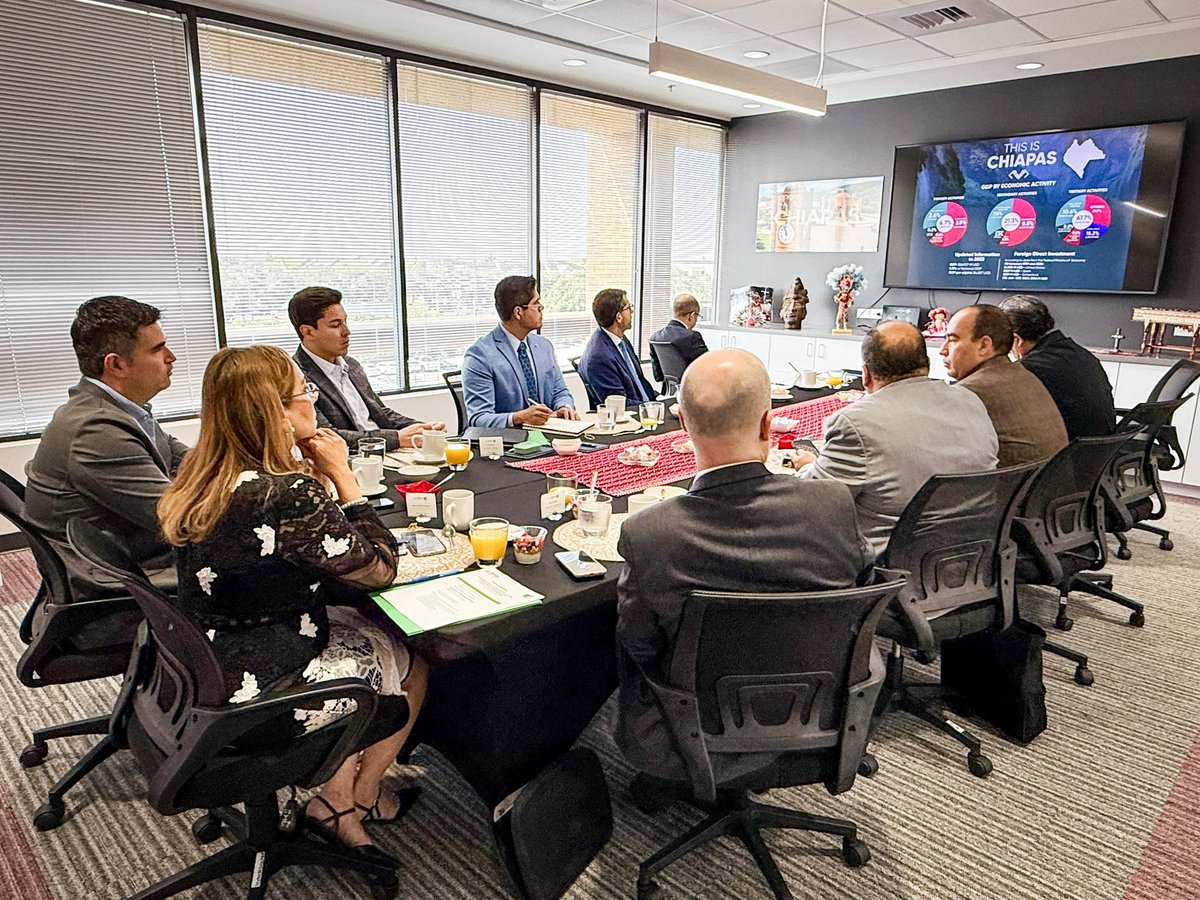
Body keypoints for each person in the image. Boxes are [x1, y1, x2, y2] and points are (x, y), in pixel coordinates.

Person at [157, 345, 427, 860]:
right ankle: (352, 803)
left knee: (365, 630)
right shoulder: (285, 494)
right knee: (412, 659)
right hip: (268, 688)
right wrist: (345, 481)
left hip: (208, 664)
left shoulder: (198, 475)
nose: (312, 405)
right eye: (305, 395)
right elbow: (379, 571)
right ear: (277, 411)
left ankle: (336, 793)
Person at [615, 348, 874, 783]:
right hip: (820, 708)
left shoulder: (648, 533)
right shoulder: (833, 504)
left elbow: (638, 643)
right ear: (767, 424)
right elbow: (860, 599)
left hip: (693, 725)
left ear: (682, 423)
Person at [25, 295, 188, 593]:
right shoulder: (96, 430)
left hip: (132, 554)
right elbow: (180, 517)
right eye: (157, 348)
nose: (171, 356)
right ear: (116, 365)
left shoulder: (116, 409)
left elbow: (182, 459)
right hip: (126, 579)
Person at [793, 322, 998, 553]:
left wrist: (809, 467)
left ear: (866, 375)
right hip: (971, 557)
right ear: (927, 364)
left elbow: (812, 504)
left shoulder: (855, 422)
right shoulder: (970, 400)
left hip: (888, 572)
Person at [290, 286, 443, 451]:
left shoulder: (352, 365)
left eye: (345, 322)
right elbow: (326, 437)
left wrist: (422, 428)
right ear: (308, 331)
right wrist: (397, 438)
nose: (347, 332)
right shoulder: (295, 376)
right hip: (353, 459)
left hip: (388, 451)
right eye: (336, 325)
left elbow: (381, 413)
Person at [942, 305, 1068, 467]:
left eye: (952, 340)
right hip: (1054, 488)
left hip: (1011, 489)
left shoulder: (970, 392)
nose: (943, 350)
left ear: (984, 345)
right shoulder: (1024, 376)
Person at [461, 275, 578, 428]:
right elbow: (478, 418)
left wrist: (565, 407)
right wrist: (518, 418)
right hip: (508, 445)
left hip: (551, 436)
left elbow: (560, 391)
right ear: (518, 312)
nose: (541, 308)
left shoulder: (544, 346)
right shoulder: (480, 356)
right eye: (536, 303)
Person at [999, 294, 1116, 439]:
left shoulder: (1029, 369)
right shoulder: (1081, 354)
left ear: (1017, 340)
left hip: (1066, 453)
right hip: (1101, 450)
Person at [578, 288, 656, 407]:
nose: (632, 311)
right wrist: (651, 408)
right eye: (628, 308)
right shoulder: (599, 357)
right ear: (619, 317)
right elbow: (618, 403)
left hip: (645, 405)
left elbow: (639, 380)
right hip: (632, 416)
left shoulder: (620, 339)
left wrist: (659, 401)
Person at [648, 293, 708, 386]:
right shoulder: (692, 337)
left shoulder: (655, 337)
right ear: (691, 315)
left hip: (670, 393)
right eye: (696, 317)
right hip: (691, 392)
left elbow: (658, 376)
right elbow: (708, 370)